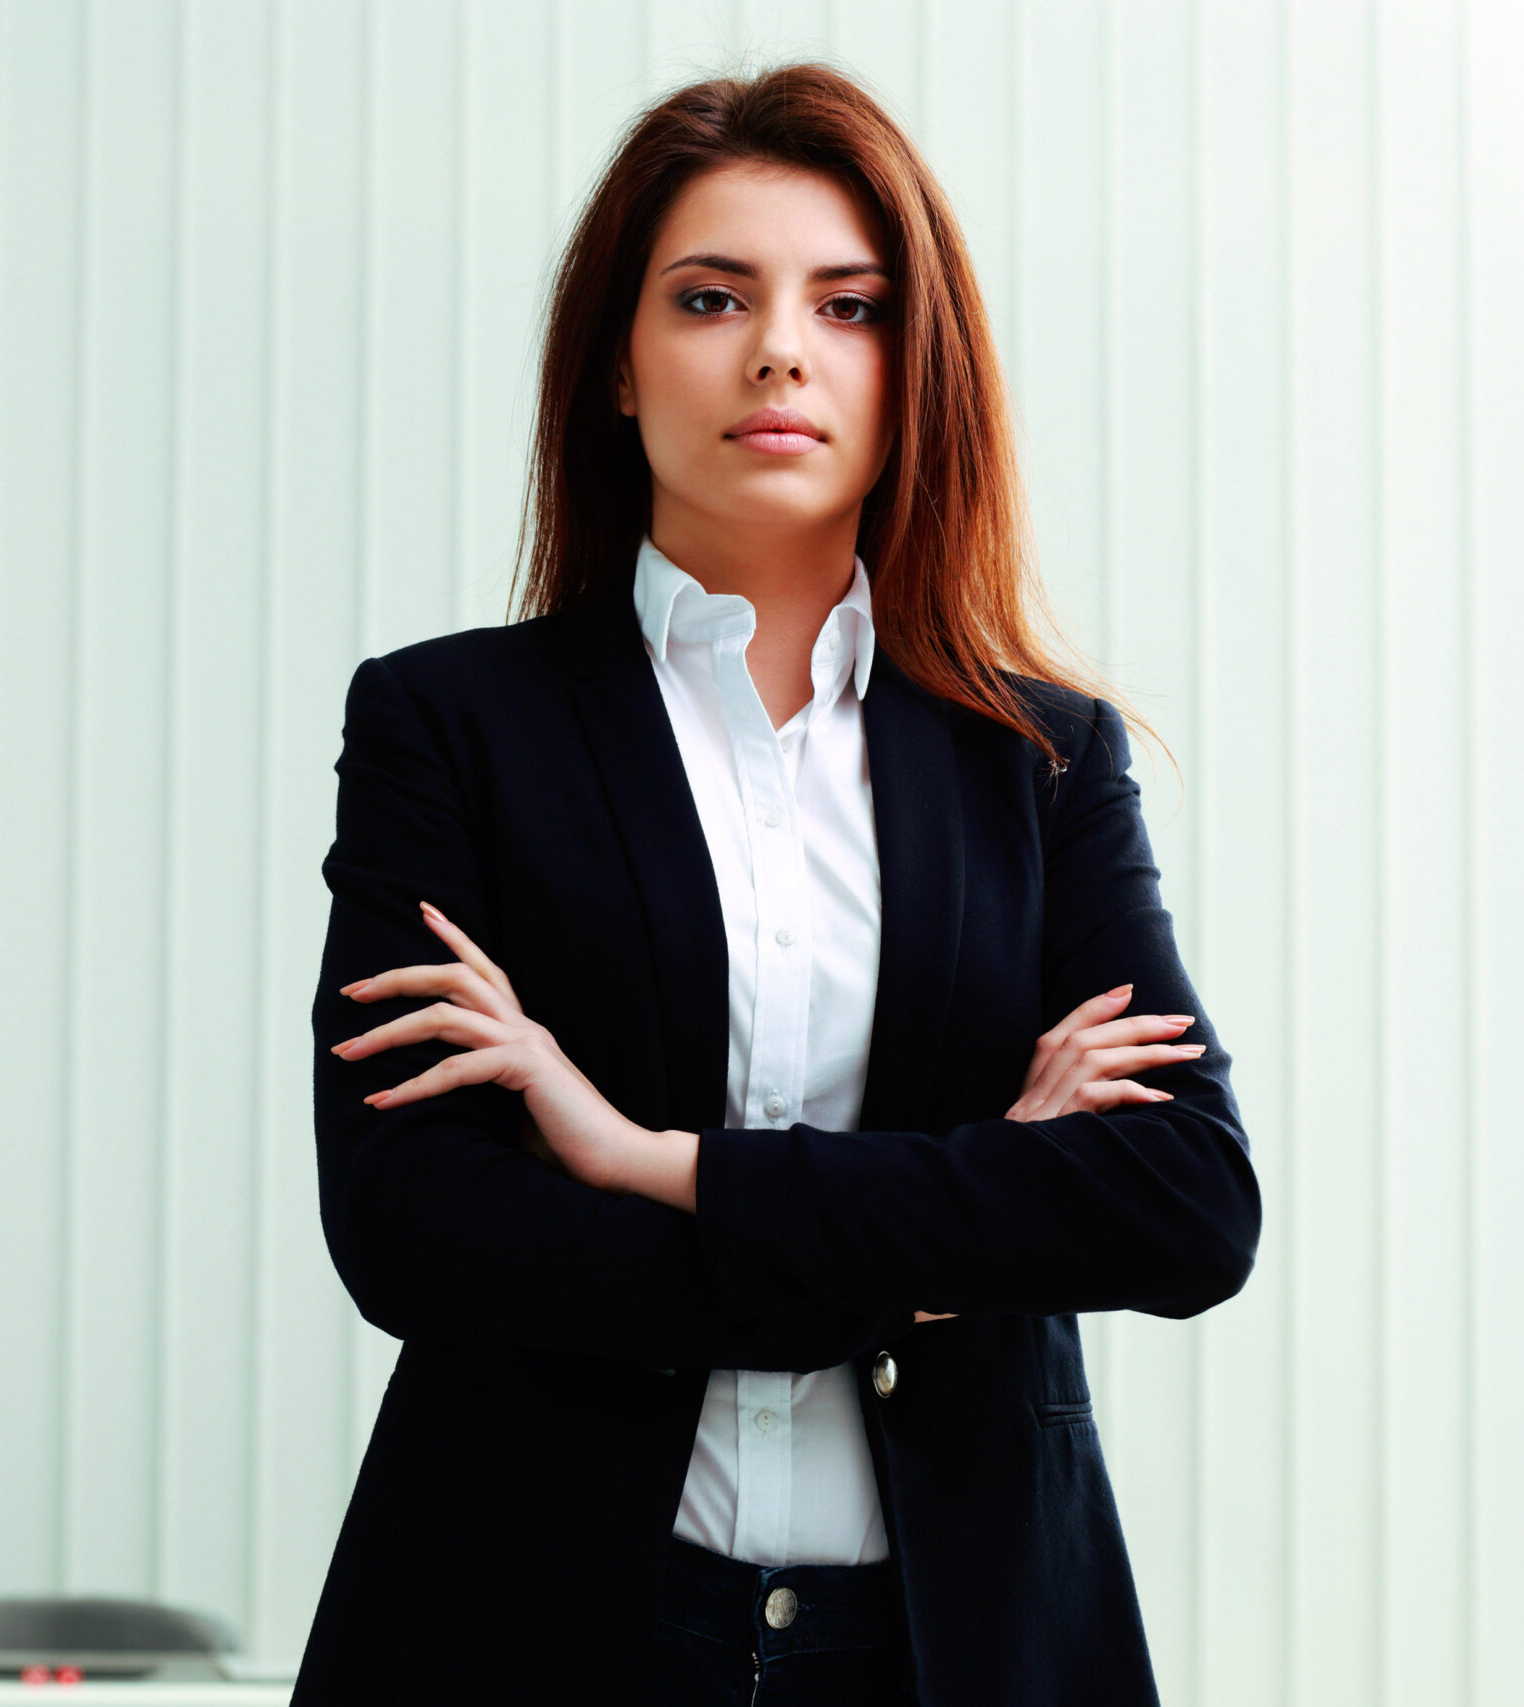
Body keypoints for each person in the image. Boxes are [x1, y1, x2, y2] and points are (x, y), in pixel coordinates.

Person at [294, 61, 1259, 1707]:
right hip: (539, 1626)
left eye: (851, 303)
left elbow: (1183, 1205)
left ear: (912, 364)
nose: (779, 350)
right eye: (712, 297)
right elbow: (418, 1230)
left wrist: (645, 1162)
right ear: (619, 358)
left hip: (954, 1647)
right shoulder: (450, 726)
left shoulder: (1040, 759)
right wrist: (964, 1218)